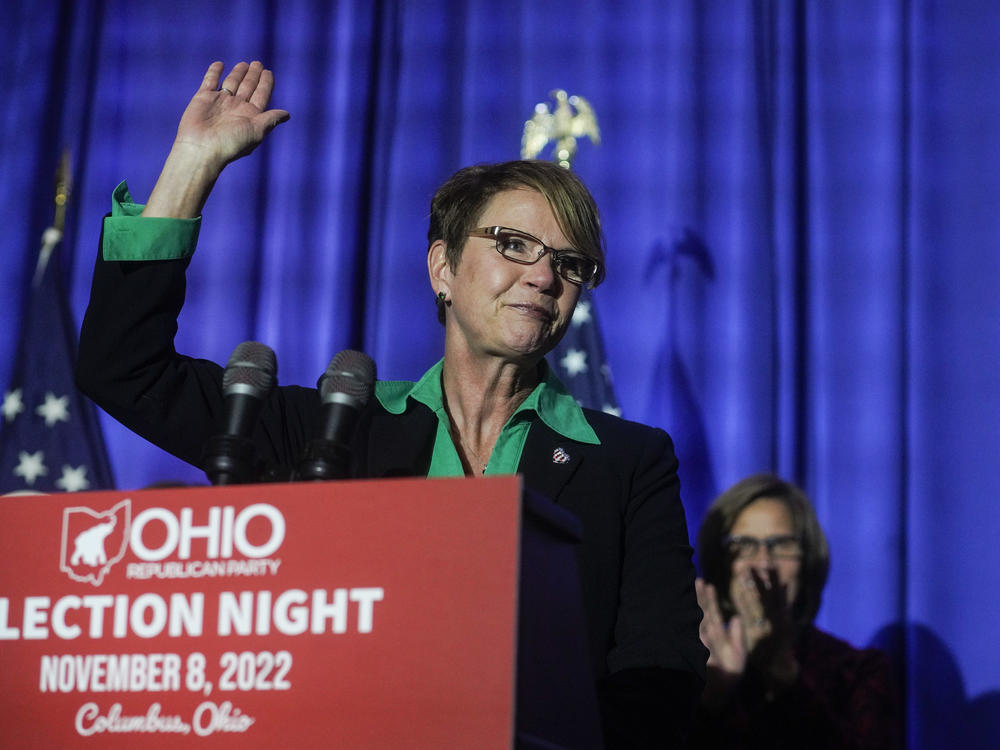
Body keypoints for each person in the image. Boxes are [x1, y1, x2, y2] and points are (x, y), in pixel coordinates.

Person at [75, 61, 708, 746]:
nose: (544, 275)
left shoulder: (629, 464)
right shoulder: (332, 430)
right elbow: (124, 368)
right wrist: (193, 165)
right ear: (443, 268)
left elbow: (657, 684)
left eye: (569, 262)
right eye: (515, 246)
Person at [687, 474, 900, 749]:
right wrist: (709, 702)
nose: (763, 563)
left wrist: (784, 677)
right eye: (743, 545)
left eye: (781, 545)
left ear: (808, 560)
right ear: (721, 564)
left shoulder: (858, 673)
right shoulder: (691, 669)